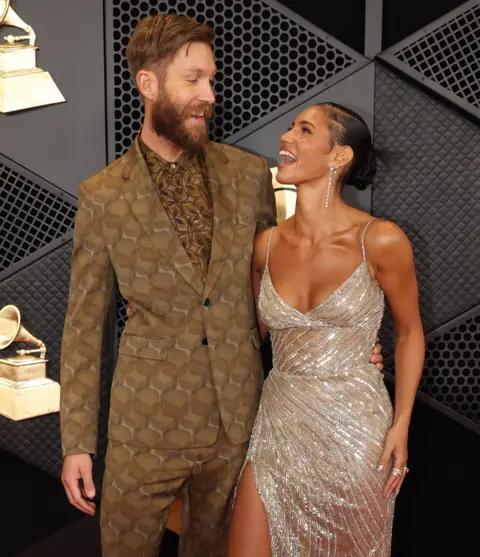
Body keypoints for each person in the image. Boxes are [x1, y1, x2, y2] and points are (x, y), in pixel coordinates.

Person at [59, 14, 384, 557]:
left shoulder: (249, 173)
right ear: (148, 84)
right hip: (145, 427)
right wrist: (75, 445)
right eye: (193, 79)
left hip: (239, 426)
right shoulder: (102, 195)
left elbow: (278, 282)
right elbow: (83, 327)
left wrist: (342, 344)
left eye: (211, 79)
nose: (208, 95)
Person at [227, 103, 424, 557]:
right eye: (291, 127)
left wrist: (401, 426)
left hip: (356, 433)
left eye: (304, 130)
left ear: (339, 156)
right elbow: (247, 336)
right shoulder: (266, 244)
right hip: (279, 424)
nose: (287, 137)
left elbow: (411, 333)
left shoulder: (380, 239)